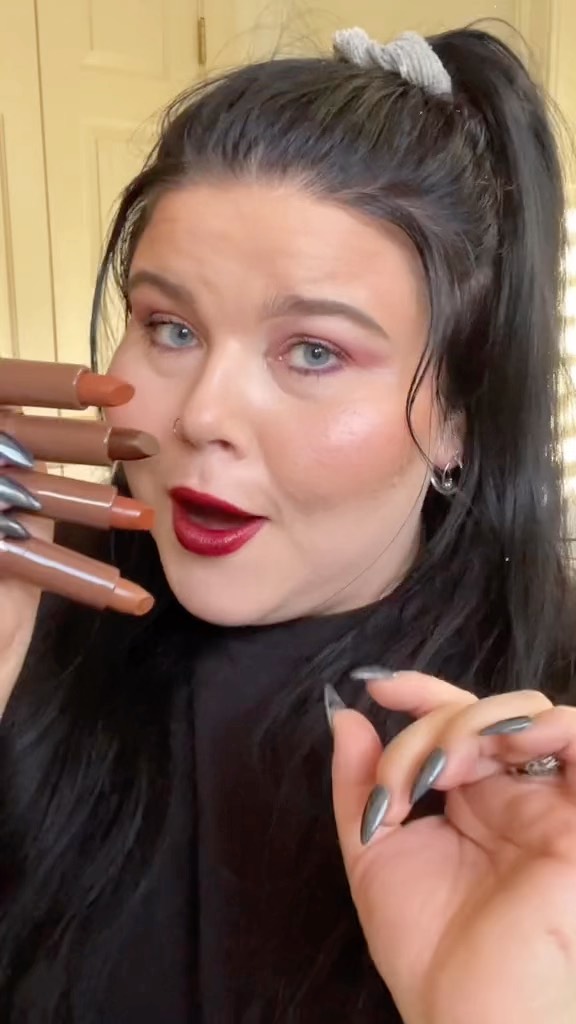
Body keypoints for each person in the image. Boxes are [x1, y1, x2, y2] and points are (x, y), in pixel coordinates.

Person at [0, 22, 575, 1024]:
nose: (201, 416)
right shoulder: (33, 610)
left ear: (459, 418)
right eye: (169, 328)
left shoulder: (548, 752)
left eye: (313, 351)